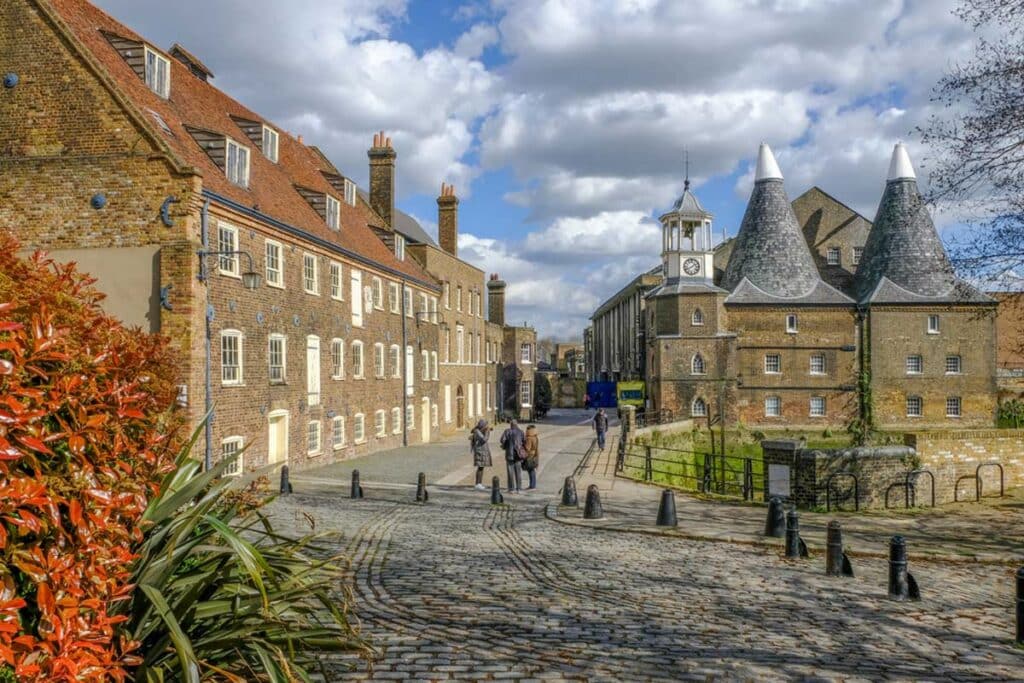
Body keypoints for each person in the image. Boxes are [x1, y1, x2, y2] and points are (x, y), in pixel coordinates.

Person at [499, 419, 525, 494]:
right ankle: (519, 488)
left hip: (509, 454)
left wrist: (507, 444)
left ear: (511, 425)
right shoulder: (521, 432)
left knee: (510, 472)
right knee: (518, 472)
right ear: (517, 425)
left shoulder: (507, 431)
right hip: (518, 454)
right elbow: (524, 441)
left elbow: (502, 440)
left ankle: (511, 488)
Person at [470, 419, 492, 490]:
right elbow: (484, 439)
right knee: (480, 467)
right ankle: (477, 484)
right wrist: (487, 432)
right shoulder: (477, 431)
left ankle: (479, 483)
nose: (486, 426)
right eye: (485, 425)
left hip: (482, 451)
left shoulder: (478, 431)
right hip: (480, 451)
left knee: (481, 467)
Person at [523, 424, 540, 490]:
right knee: (532, 470)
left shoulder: (529, 438)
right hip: (534, 455)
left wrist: (524, 444)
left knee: (531, 471)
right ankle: (533, 485)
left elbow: (527, 448)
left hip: (530, 456)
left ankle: (532, 485)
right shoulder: (536, 438)